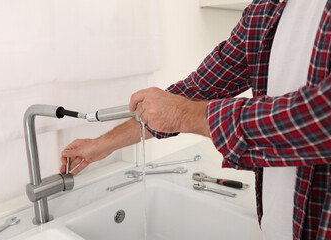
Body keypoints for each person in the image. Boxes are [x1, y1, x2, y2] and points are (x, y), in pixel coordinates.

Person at [60, 0, 331, 239]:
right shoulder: (267, 9)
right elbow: (195, 90)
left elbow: (320, 116)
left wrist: (182, 115)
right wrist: (104, 144)